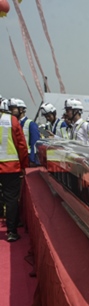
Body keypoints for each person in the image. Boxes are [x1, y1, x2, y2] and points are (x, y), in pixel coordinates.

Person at [0, 101, 29, 241]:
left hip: (8, 166)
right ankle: (11, 231)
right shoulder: (11, 120)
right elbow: (22, 145)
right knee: (11, 199)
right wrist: (24, 165)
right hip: (10, 167)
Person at [9, 99, 40, 166]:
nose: (11, 111)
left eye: (13, 109)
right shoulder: (13, 123)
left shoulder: (31, 124)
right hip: (17, 159)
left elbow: (35, 143)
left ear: (21, 110)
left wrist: (32, 160)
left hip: (28, 159)